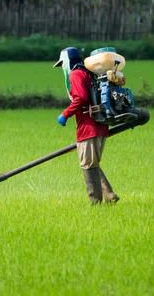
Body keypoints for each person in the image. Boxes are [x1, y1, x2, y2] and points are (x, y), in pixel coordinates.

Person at [53, 47, 119, 204]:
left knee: (87, 164)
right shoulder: (90, 74)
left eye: (62, 64)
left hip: (88, 127)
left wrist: (65, 114)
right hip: (101, 125)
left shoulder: (76, 74)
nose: (62, 67)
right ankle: (109, 195)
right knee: (92, 162)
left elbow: (80, 98)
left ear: (68, 62)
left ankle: (95, 201)